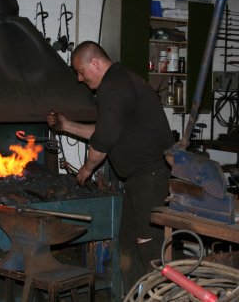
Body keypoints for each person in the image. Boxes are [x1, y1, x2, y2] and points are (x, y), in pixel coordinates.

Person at [47, 41, 175, 293]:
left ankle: (158, 297)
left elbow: (101, 144)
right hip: (138, 180)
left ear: (95, 63)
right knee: (128, 246)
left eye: (81, 71)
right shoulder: (118, 82)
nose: (79, 79)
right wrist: (65, 125)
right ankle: (133, 297)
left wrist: (87, 168)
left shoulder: (113, 87)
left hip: (151, 178)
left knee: (148, 248)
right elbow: (105, 131)